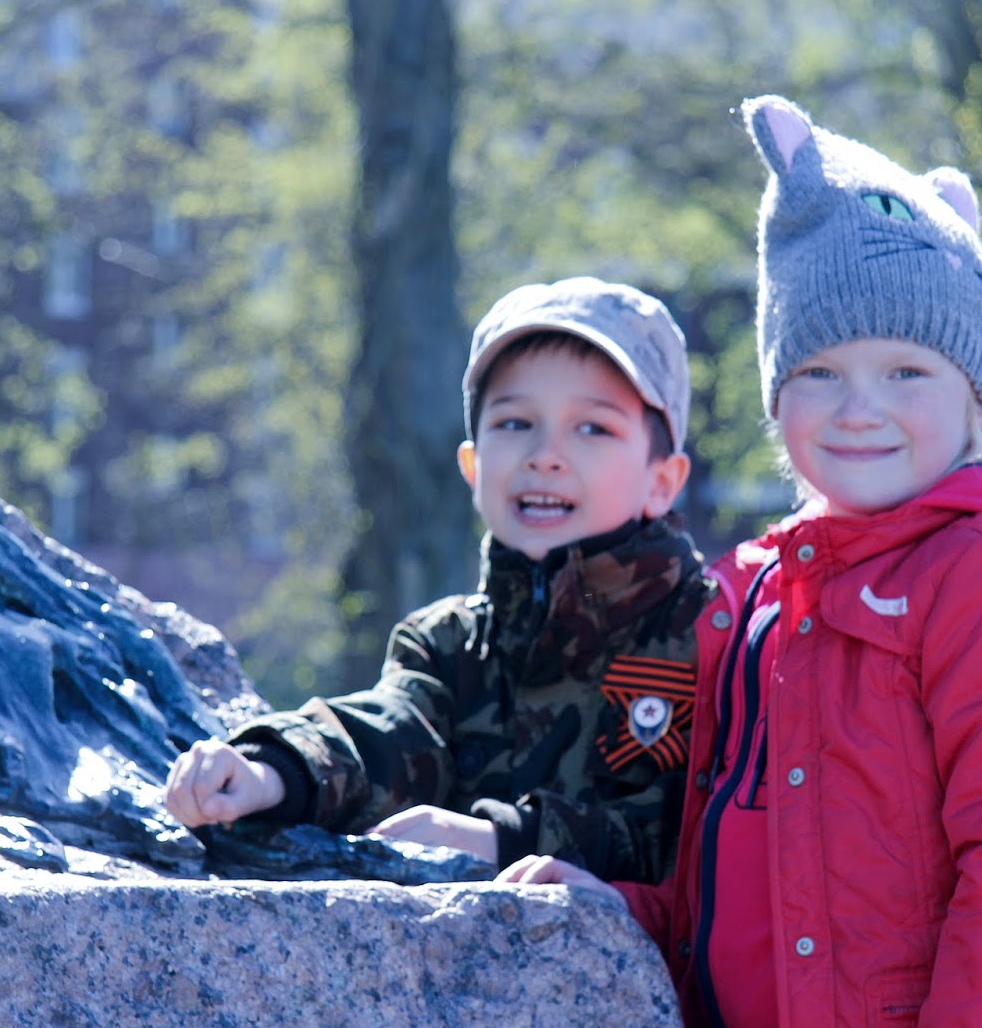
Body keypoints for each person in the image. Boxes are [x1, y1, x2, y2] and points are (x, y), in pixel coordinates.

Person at [499, 95, 982, 1026]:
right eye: (819, 372)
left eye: (906, 372)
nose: (859, 408)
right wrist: (625, 912)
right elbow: (747, 876)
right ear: (776, 395)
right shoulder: (756, 596)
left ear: (976, 397)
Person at [165, 276, 716, 883]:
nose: (545, 455)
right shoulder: (446, 644)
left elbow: (692, 834)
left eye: (592, 428)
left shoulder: (712, 637)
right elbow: (391, 734)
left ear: (663, 481)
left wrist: (501, 840)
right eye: (515, 423)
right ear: (472, 467)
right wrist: (273, 770)